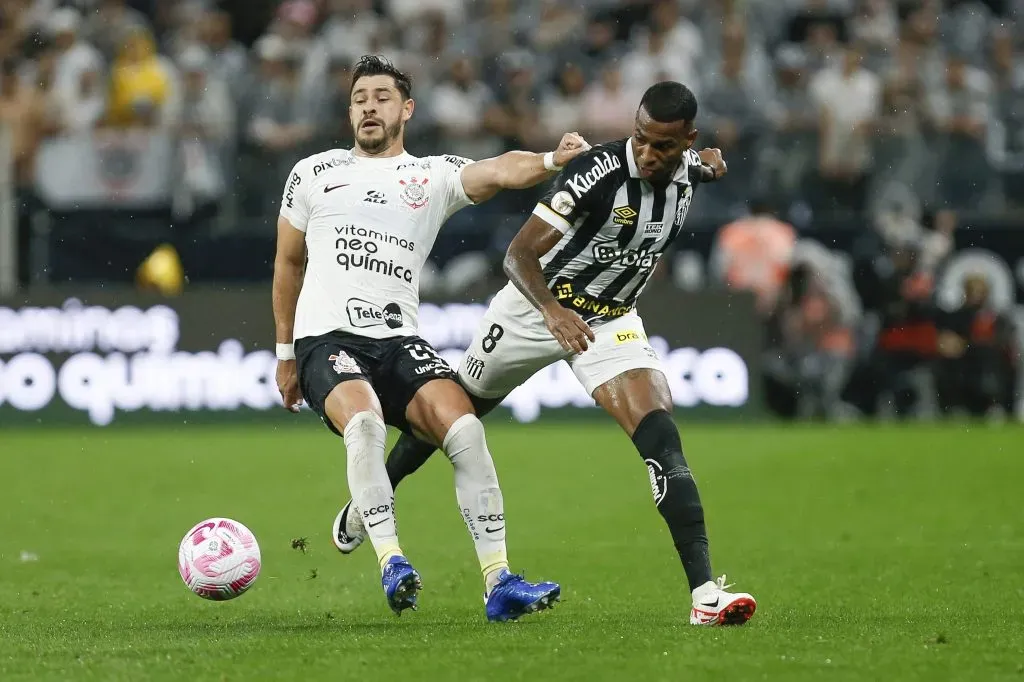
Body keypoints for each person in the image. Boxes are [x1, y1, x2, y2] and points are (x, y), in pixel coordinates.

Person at [333, 81, 758, 627]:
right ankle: (370, 501)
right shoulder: (598, 173)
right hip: (533, 311)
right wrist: (553, 312)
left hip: (610, 321)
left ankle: (704, 595)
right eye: (641, 138)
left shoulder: (689, 168)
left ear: (687, 142)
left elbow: (703, 166)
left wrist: (712, 165)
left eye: (664, 146)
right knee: (454, 416)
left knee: (662, 439)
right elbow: (518, 254)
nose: (649, 153)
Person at [272, 55, 589, 621]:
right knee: (365, 423)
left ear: (407, 109)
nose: (369, 107)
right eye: (359, 99)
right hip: (327, 338)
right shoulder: (313, 171)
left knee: (465, 429)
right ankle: (392, 561)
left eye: (382, 97)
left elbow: (499, 170)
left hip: (398, 340)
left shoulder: (431, 175)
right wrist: (284, 353)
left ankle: (499, 581)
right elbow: (287, 263)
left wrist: (551, 160)